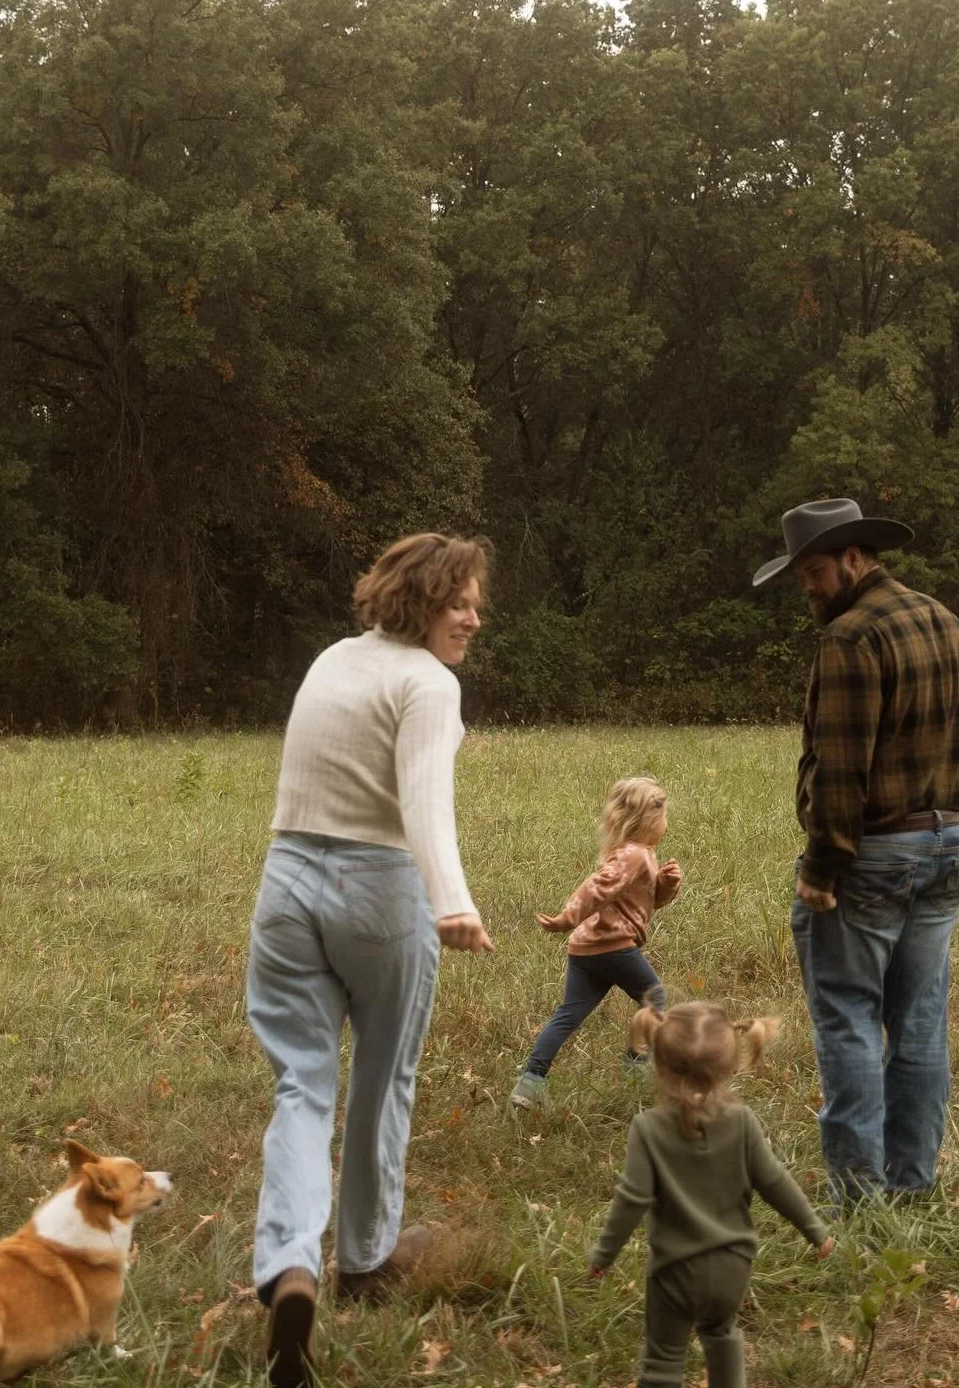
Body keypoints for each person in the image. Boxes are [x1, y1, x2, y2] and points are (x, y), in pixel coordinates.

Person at [246, 532, 495, 1388]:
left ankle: (288, 1264)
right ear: (421, 600)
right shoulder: (427, 682)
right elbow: (426, 798)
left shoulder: (334, 659)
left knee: (301, 1086)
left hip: (285, 884)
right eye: (458, 600)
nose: (473, 616)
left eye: (474, 601)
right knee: (383, 1078)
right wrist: (452, 900)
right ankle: (365, 1258)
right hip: (376, 889)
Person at [753, 497, 959, 1204]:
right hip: (952, 842)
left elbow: (842, 769)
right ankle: (914, 1186)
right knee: (918, 1023)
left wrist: (823, 869)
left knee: (847, 1016)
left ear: (854, 558)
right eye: (800, 578)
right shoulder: (944, 618)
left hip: (876, 851)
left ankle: (858, 1196)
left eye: (815, 572)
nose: (809, 589)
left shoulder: (851, 637)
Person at [587, 1001, 834, 1388]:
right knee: (722, 1334)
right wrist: (815, 1230)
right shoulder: (742, 1122)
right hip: (732, 1267)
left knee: (664, 1359)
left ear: (659, 1065)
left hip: (674, 1272)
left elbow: (632, 1198)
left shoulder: (648, 1128)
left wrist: (604, 1255)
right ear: (730, 1066)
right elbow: (774, 1181)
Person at [509, 777, 681, 1110]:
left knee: (568, 1014)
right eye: (662, 817)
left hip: (585, 949)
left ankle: (531, 1080)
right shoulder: (635, 855)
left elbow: (645, 903)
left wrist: (665, 885)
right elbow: (596, 887)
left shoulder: (638, 854)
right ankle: (636, 1059)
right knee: (654, 995)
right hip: (613, 946)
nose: (665, 824)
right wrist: (567, 917)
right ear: (648, 820)